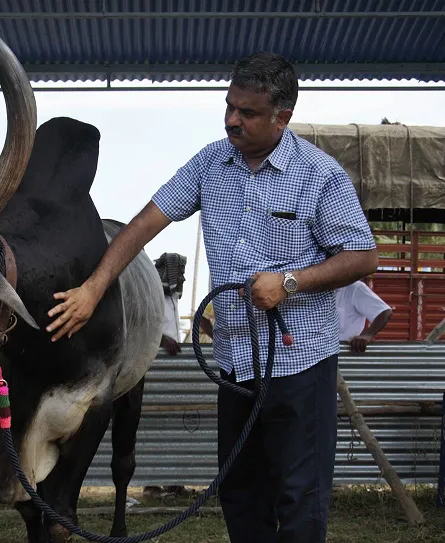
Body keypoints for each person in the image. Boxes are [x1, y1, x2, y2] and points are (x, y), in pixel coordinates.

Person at [46, 52, 378, 542]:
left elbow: (363, 256)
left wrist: (289, 281)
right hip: (236, 366)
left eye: (247, 112)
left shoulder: (318, 174)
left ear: (282, 116)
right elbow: (144, 224)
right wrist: (94, 288)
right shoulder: (210, 162)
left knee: (299, 498)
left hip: (300, 367)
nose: (232, 120)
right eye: (229, 106)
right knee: (241, 492)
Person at [335, 280, 392, 353]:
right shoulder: (319, 290)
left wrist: (367, 335)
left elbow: (384, 312)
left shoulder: (355, 288)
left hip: (345, 353)